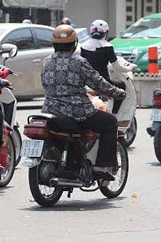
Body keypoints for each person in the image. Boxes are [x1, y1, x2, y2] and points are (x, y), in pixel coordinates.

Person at [41, 25, 126, 181]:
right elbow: (99, 83)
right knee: (110, 122)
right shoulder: (78, 61)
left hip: (50, 111)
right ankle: (101, 166)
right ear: (74, 44)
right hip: (77, 112)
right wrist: (118, 92)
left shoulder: (46, 61)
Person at [81, 19, 136, 113]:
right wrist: (130, 68)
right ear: (106, 33)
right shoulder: (108, 47)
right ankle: (115, 114)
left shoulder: (84, 46)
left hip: (86, 82)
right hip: (103, 82)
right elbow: (117, 67)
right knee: (121, 87)